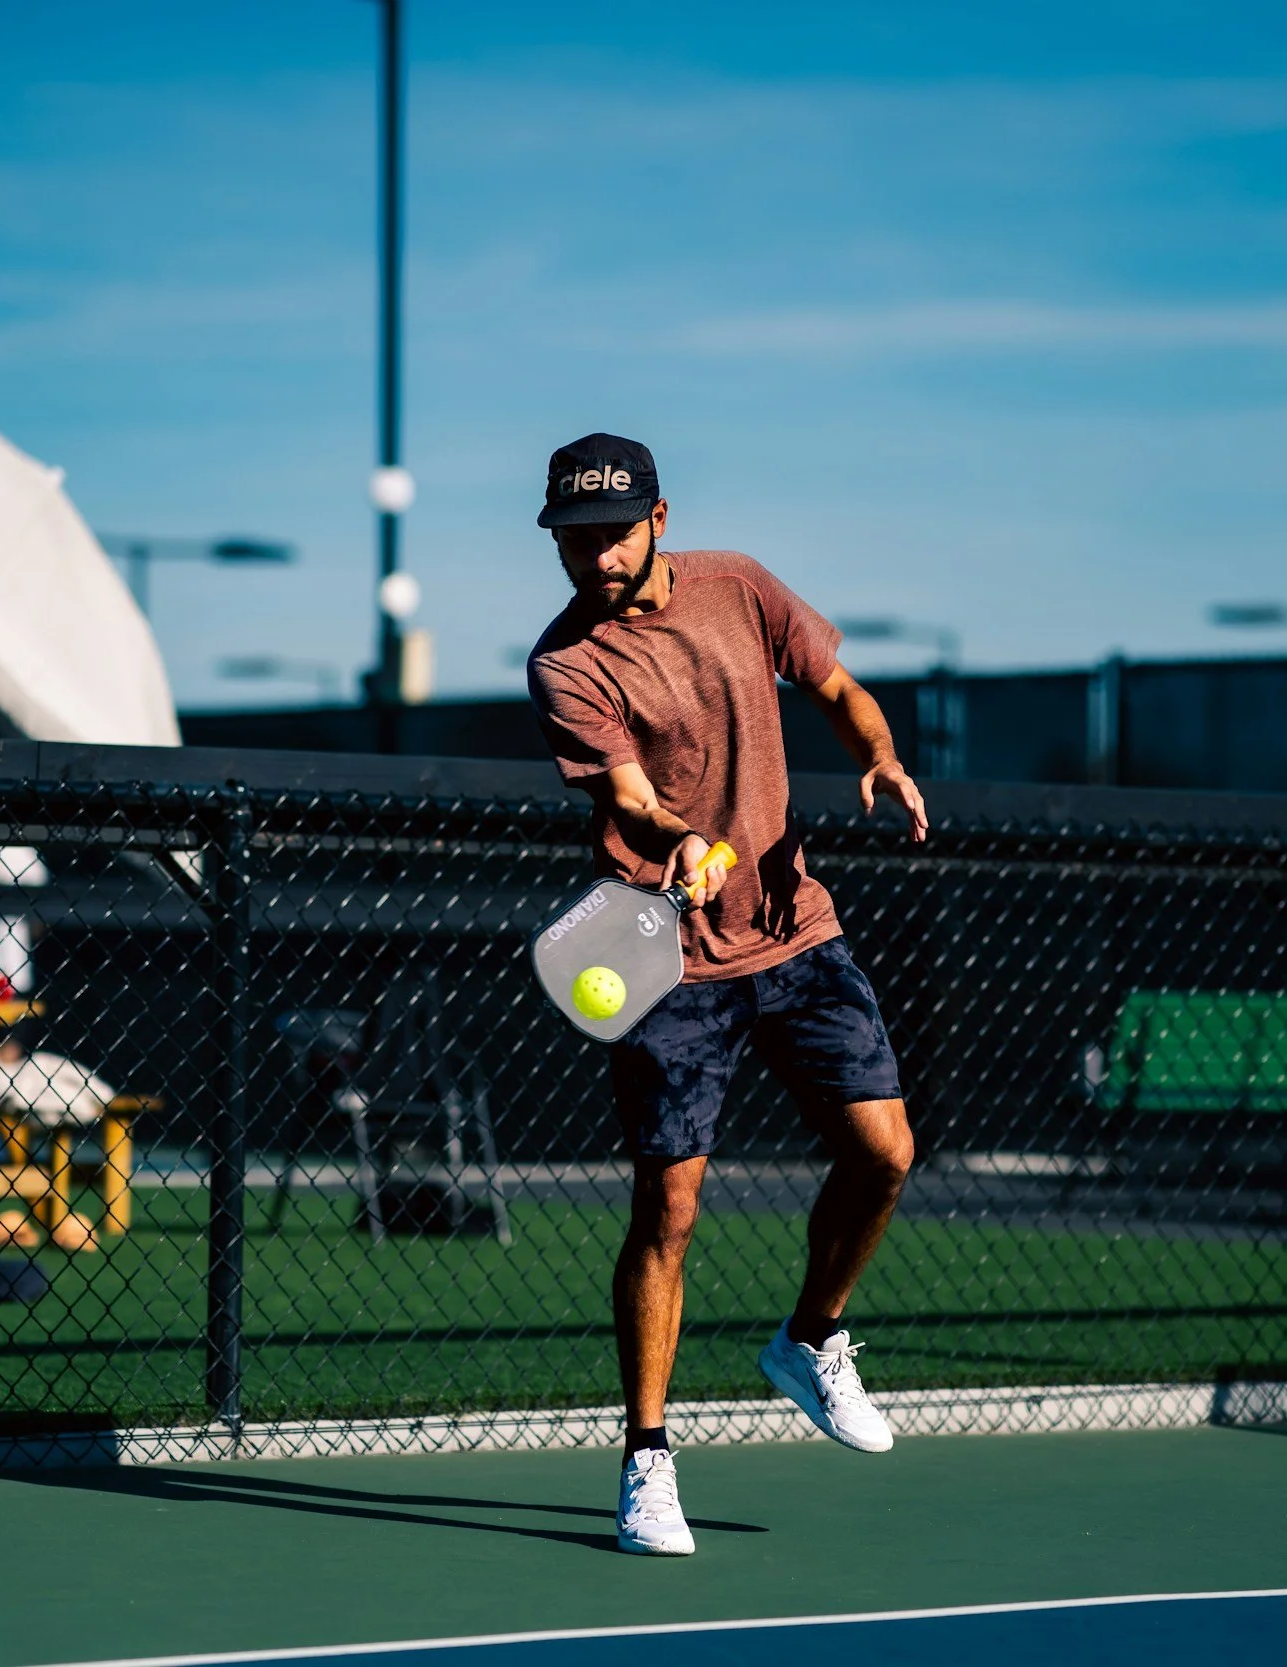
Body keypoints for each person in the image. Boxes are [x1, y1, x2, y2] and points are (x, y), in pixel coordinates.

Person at [524, 433, 930, 1557]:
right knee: (671, 1210)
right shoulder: (565, 664)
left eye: (610, 533)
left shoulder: (738, 585)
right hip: (673, 964)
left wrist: (882, 754)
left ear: (659, 517)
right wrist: (685, 837)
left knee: (885, 1151)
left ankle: (810, 1339)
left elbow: (837, 685)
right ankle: (646, 1457)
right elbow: (628, 793)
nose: (593, 558)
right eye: (572, 540)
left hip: (796, 930)